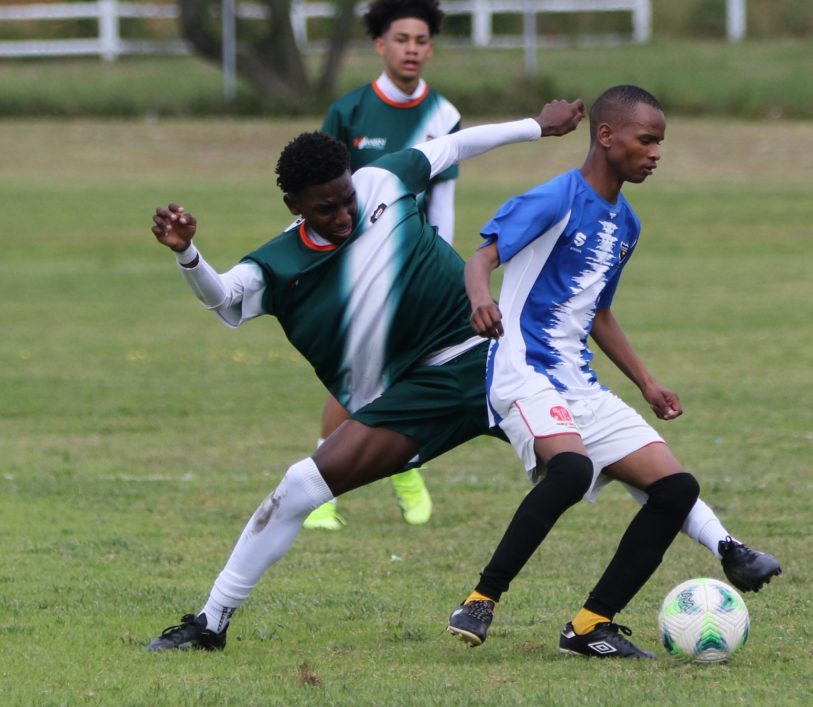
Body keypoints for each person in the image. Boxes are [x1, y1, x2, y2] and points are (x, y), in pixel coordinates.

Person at [145, 98, 587, 652]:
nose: (343, 215)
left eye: (347, 199)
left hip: (495, 359)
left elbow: (455, 146)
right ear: (294, 205)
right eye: (325, 208)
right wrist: (188, 254)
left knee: (607, 459)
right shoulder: (278, 264)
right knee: (300, 486)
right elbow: (223, 296)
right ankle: (210, 623)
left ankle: (610, 610)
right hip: (419, 393)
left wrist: (536, 127)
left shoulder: (383, 180)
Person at [446, 85, 781, 659]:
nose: (656, 153)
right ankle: (481, 599)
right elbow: (482, 258)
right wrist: (481, 300)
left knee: (675, 489)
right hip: (522, 369)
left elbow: (598, 313)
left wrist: (646, 382)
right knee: (571, 470)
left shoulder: (626, 224)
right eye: (646, 140)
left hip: (578, 382)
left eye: (660, 143)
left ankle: (591, 624)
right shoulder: (555, 198)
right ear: (606, 136)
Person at [308, 0, 461, 530]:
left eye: (420, 40)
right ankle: (327, 488)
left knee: (407, 372)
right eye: (401, 39)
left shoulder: (443, 116)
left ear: (430, 49)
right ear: (380, 45)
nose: (411, 49)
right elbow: (318, 196)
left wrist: (441, 268)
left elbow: (443, 200)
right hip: (357, 265)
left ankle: (401, 466)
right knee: (358, 372)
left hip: (417, 266)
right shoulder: (349, 112)